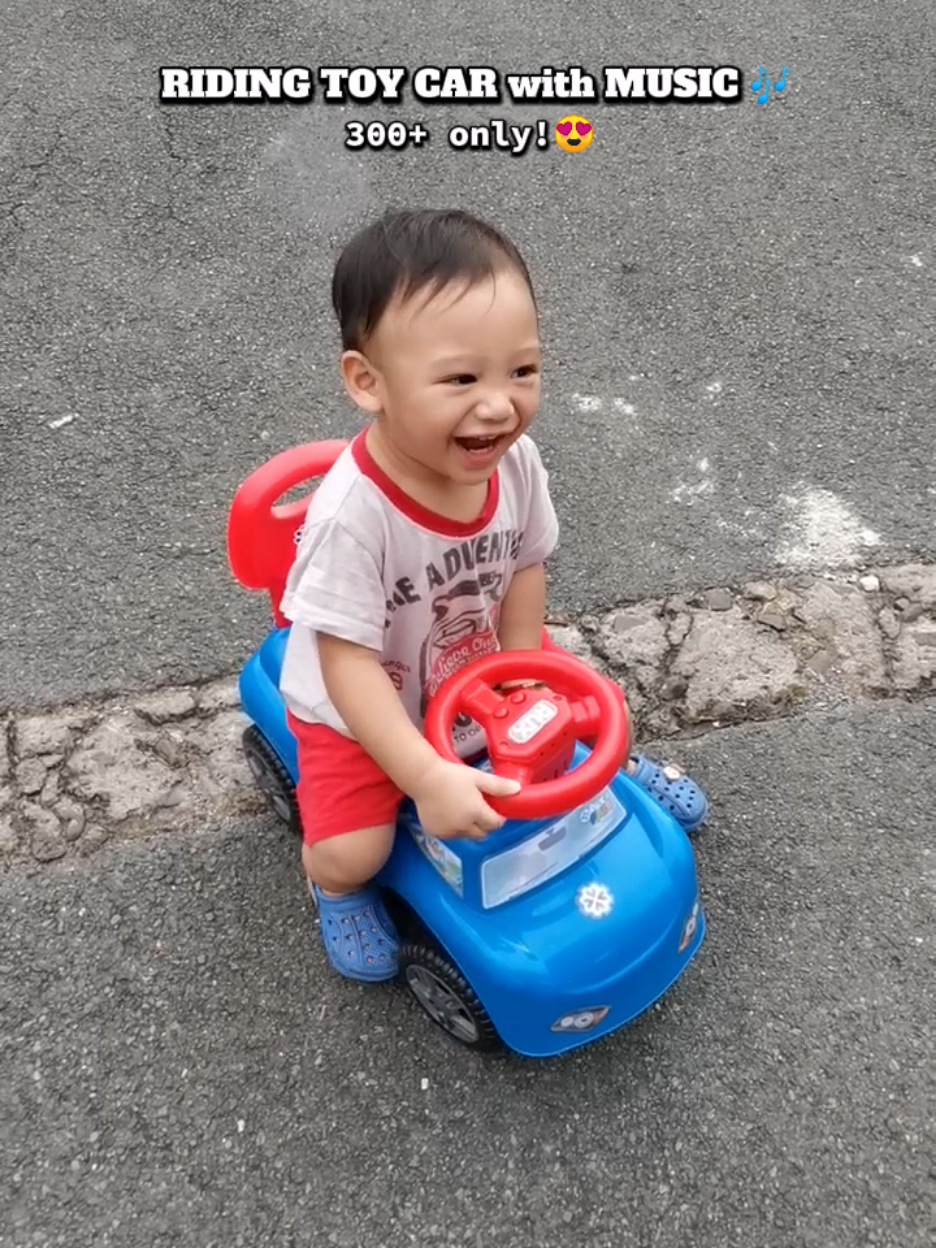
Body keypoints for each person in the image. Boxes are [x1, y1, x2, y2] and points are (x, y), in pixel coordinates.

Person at [279, 208, 708, 983]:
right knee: (359, 849)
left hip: (478, 670)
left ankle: (606, 767)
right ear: (366, 382)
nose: (499, 405)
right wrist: (423, 773)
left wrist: (523, 679)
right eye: (460, 379)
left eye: (523, 371)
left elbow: (523, 569)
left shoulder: (516, 464)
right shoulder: (353, 515)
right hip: (373, 706)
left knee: (575, 713)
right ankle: (332, 888)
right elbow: (345, 665)